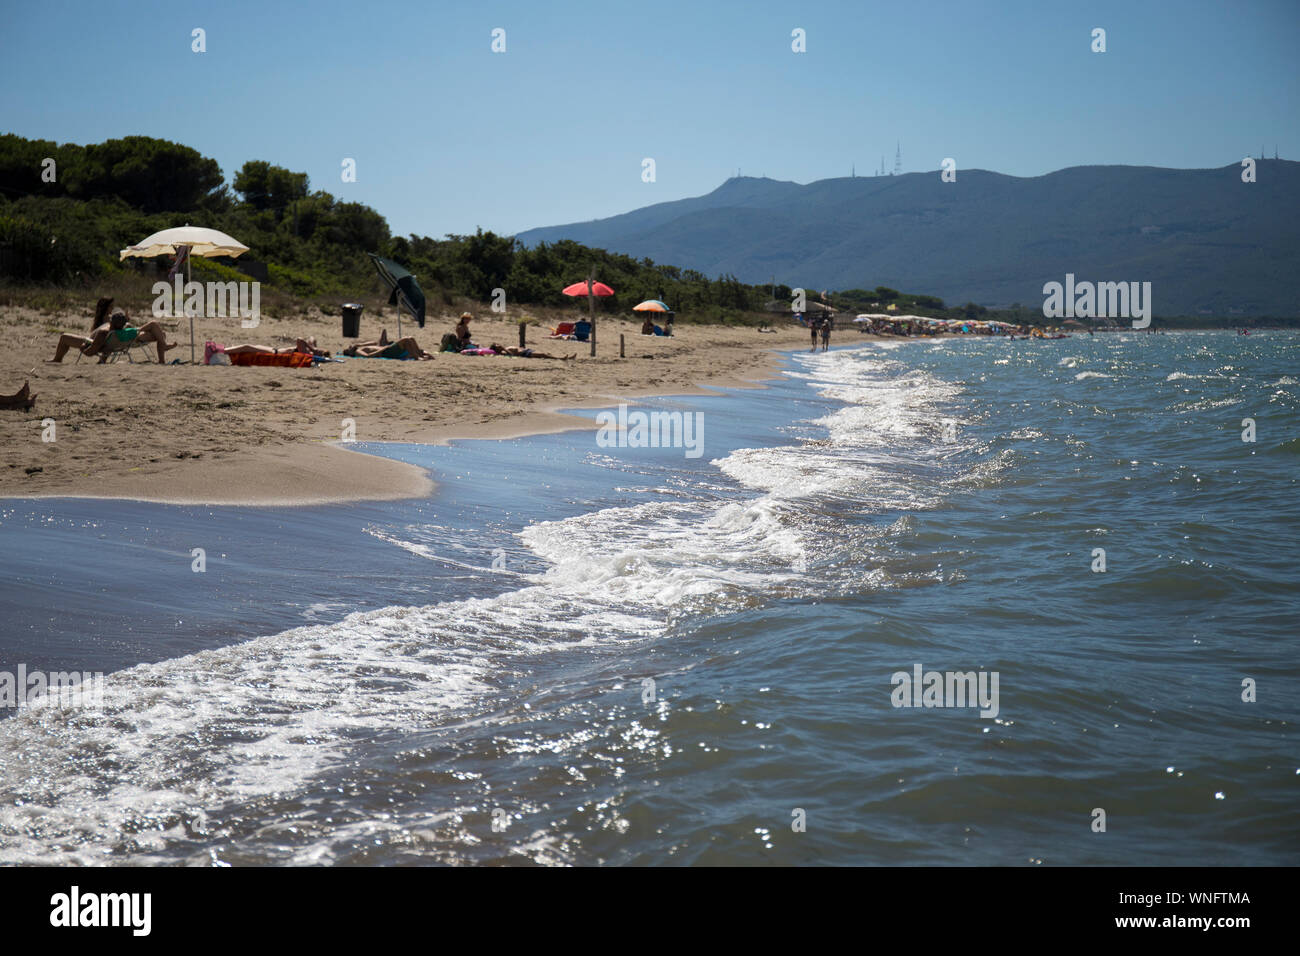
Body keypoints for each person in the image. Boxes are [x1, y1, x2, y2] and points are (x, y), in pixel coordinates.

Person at [48, 309, 179, 363]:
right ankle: (163, 351)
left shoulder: (106, 331)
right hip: (114, 344)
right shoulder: (124, 332)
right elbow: (107, 346)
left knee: (64, 337)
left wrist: (84, 347)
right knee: (159, 333)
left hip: (90, 341)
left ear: (111, 322)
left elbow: (93, 349)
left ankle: (57, 359)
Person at [488, 343, 575, 361]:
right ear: (497, 349)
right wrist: (503, 348)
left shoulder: (505, 348)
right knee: (543, 355)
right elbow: (511, 355)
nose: (499, 345)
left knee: (546, 354)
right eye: (497, 345)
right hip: (525, 354)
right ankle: (561, 359)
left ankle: (569, 358)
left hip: (527, 350)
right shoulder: (503, 352)